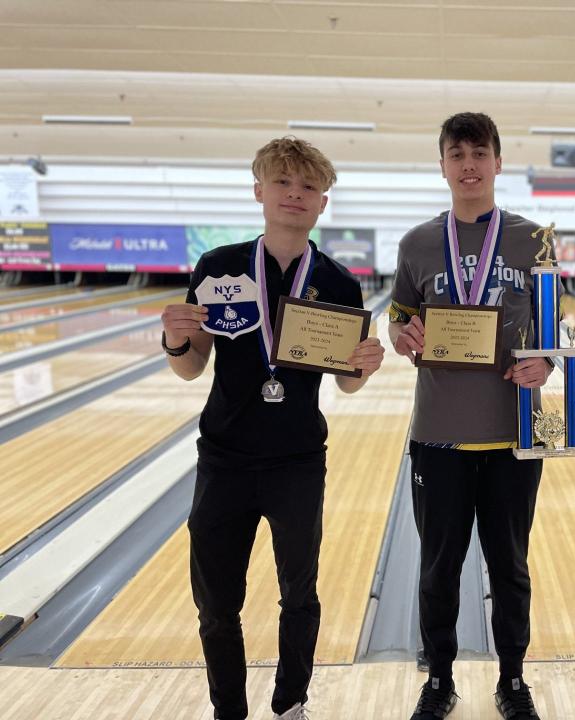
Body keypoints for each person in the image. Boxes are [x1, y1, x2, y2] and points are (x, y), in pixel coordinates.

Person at [160, 137, 384, 720]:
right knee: (216, 603)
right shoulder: (218, 267)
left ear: (323, 203)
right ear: (259, 191)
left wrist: (362, 367)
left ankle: (290, 704)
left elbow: (345, 385)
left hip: (297, 460)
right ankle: (228, 709)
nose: (295, 194)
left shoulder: (337, 282)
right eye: (283, 183)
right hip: (225, 459)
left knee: (300, 595)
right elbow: (190, 369)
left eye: (308, 186)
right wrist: (176, 339)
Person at [389, 112, 552, 720]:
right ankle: (440, 682)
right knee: (438, 568)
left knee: (510, 568)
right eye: (456, 154)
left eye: (479, 153)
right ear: (442, 165)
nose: (468, 165)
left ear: (498, 162)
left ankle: (512, 680)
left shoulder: (535, 240)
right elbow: (400, 315)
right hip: (437, 436)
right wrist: (403, 334)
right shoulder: (417, 244)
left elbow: (550, 329)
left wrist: (545, 366)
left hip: (512, 433)